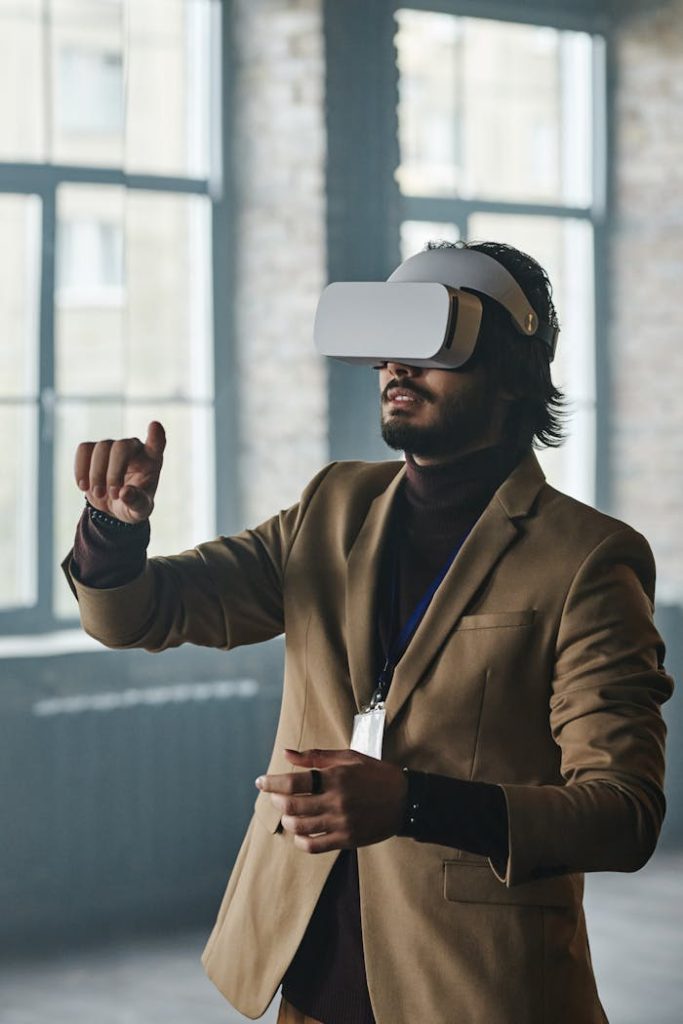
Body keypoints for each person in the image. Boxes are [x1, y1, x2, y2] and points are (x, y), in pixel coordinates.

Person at [63, 241, 673, 1024]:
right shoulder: (332, 505)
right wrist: (111, 533)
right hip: (306, 976)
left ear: (513, 372)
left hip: (472, 992)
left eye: (435, 342)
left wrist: (415, 804)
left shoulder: (586, 557)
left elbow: (622, 813)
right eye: (390, 341)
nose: (397, 366)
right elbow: (146, 613)